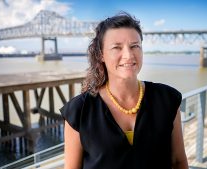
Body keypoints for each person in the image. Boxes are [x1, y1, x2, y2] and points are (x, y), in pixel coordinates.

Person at [60, 11, 188, 169]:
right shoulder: (79, 111)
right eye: (117, 47)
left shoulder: (168, 99)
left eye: (135, 46)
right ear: (101, 55)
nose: (128, 55)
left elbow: (178, 162)